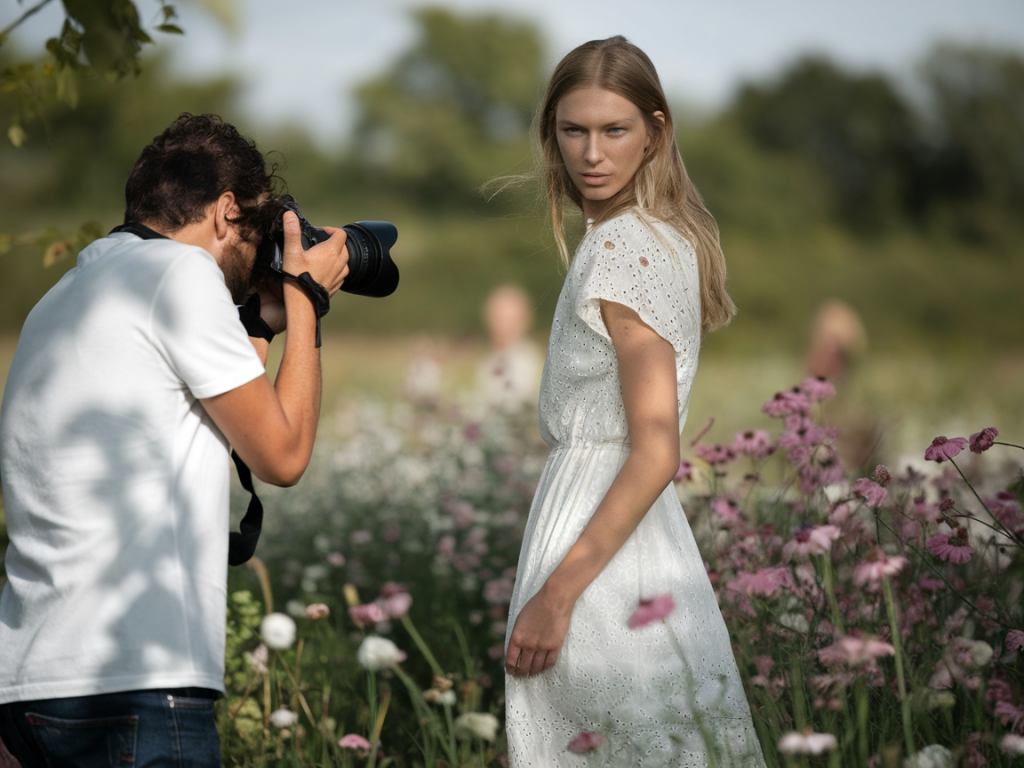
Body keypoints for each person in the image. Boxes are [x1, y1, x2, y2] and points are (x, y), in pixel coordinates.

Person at [0, 113, 349, 766]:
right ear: (225, 213)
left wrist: (263, 325)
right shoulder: (181, 276)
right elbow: (281, 456)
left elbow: (217, 420)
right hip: (136, 683)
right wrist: (305, 297)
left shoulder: (65, 297)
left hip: (30, 688)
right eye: (256, 230)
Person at [502, 38, 767, 766]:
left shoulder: (627, 248)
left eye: (614, 130)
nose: (591, 152)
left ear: (655, 131)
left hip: (604, 543)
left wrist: (557, 596)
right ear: (551, 135)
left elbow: (654, 449)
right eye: (572, 130)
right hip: (618, 528)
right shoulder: (648, 238)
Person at [475, 284, 542, 412]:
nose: (501, 326)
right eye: (497, 319)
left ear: (523, 322)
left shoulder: (528, 361)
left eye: (508, 320)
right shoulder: (487, 360)